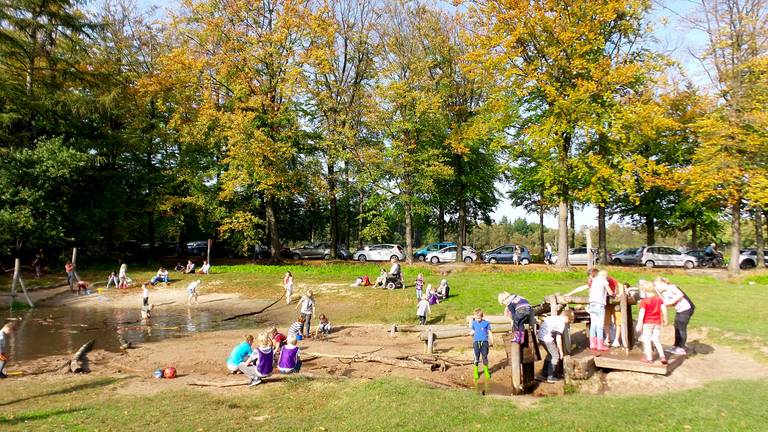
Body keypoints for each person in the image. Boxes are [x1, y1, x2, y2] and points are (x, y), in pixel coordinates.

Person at [565, 269, 611, 352]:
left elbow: (583, 288)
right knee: (600, 326)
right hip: (599, 305)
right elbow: (610, 292)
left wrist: (569, 293)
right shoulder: (603, 280)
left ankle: (592, 344)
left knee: (593, 325)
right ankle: (600, 345)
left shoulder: (593, 282)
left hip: (592, 305)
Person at [656, 277, 695, 356]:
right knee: (676, 326)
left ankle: (682, 347)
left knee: (681, 327)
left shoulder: (671, 287)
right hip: (680, 310)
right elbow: (670, 303)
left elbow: (680, 295)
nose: (657, 287)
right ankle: (676, 345)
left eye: (657, 285)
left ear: (662, 283)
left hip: (687, 308)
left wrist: (669, 302)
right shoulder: (664, 293)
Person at [536, 309, 573, 382]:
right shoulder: (561, 323)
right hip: (547, 338)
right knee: (555, 355)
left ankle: (544, 374)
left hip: (540, 336)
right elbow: (558, 338)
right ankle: (551, 376)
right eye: (569, 321)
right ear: (566, 317)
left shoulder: (554, 317)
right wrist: (561, 351)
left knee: (550, 354)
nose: (568, 323)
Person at [636, 282, 668, 364]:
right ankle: (662, 356)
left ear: (644, 290)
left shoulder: (644, 301)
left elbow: (642, 313)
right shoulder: (658, 299)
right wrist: (665, 319)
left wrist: (639, 324)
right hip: (657, 322)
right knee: (656, 339)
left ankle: (649, 358)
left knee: (647, 340)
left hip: (647, 323)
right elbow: (664, 309)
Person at [470, 308, 494, 380]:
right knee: (476, 357)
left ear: (482, 316)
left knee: (485, 357)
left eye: (479, 318)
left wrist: (492, 341)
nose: (477, 319)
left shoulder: (486, 323)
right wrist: (471, 333)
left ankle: (486, 371)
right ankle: (475, 371)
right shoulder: (474, 323)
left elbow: (489, 332)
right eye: (476, 318)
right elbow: (473, 331)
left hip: (485, 342)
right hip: (476, 342)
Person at [611, 282, 630, 347]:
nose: (624, 290)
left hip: (619, 310)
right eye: (623, 288)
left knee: (619, 324)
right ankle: (615, 339)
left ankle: (617, 339)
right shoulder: (617, 293)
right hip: (615, 309)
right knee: (615, 324)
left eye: (625, 288)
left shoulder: (627, 294)